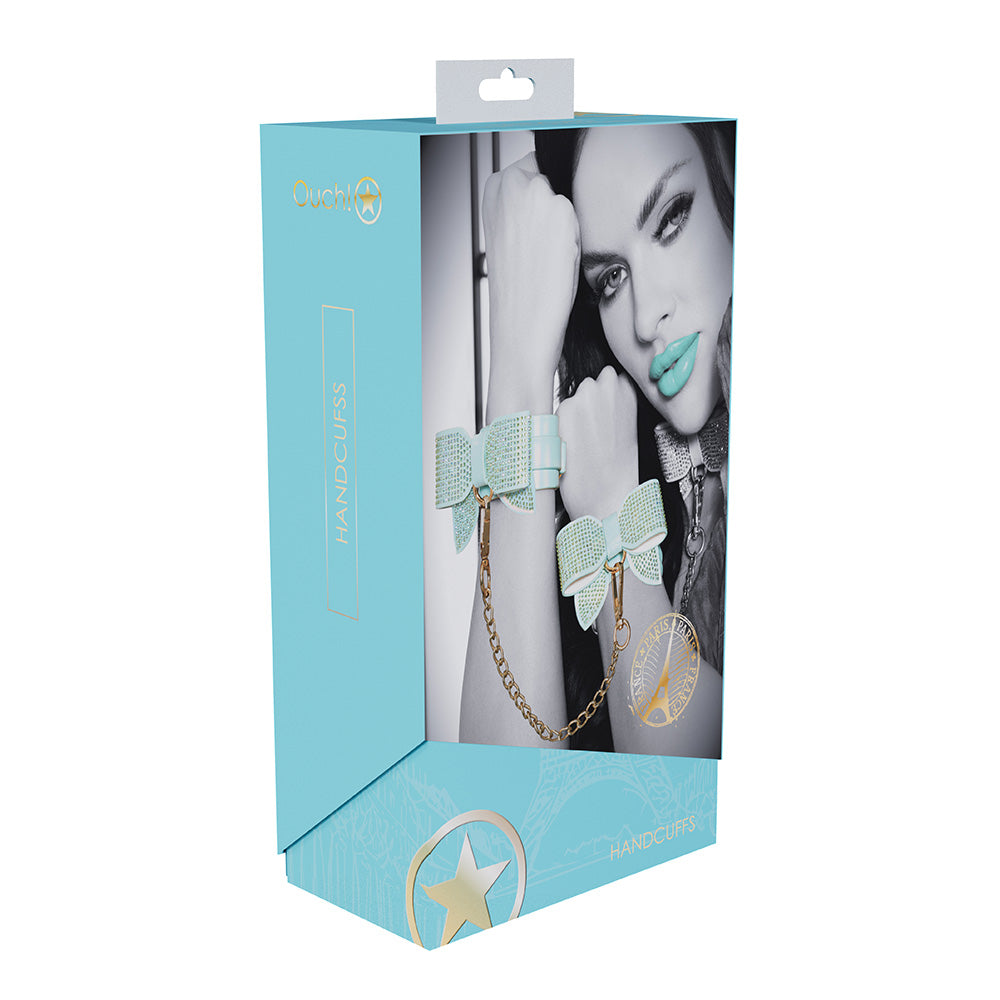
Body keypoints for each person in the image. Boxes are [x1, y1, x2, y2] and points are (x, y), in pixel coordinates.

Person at [458, 122, 733, 757]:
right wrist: (520, 366)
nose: (644, 316)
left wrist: (612, 522)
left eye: (671, 220)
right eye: (611, 278)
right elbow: (502, 791)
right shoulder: (634, 459)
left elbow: (683, 782)